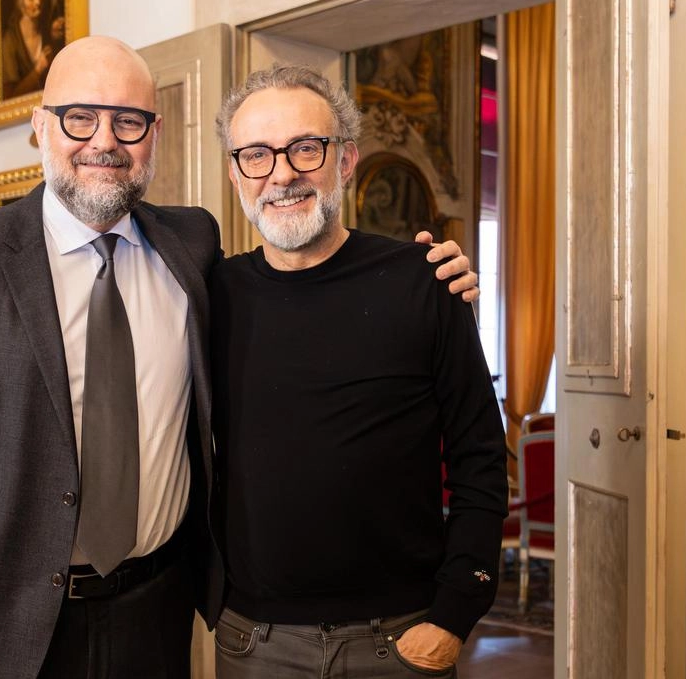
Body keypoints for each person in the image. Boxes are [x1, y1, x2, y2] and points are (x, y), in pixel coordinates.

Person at [0, 37, 477, 679]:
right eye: (81, 117)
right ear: (40, 127)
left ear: (154, 136)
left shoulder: (191, 246)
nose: (105, 140)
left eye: (128, 120)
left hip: (156, 612)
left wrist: (440, 274)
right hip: (1, 623)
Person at [208, 64, 507, 679]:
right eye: (257, 155)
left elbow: (481, 456)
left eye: (305, 149)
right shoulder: (209, 295)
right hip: (252, 642)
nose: (282, 174)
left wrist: (454, 615)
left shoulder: (426, 281)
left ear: (345, 160)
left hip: (399, 640)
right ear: (236, 173)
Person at [1, 0, 64, 99]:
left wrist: (55, 41)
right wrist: (38, 70)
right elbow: (10, 97)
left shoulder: (46, 32)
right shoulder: (9, 42)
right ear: (20, 3)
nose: (38, 2)